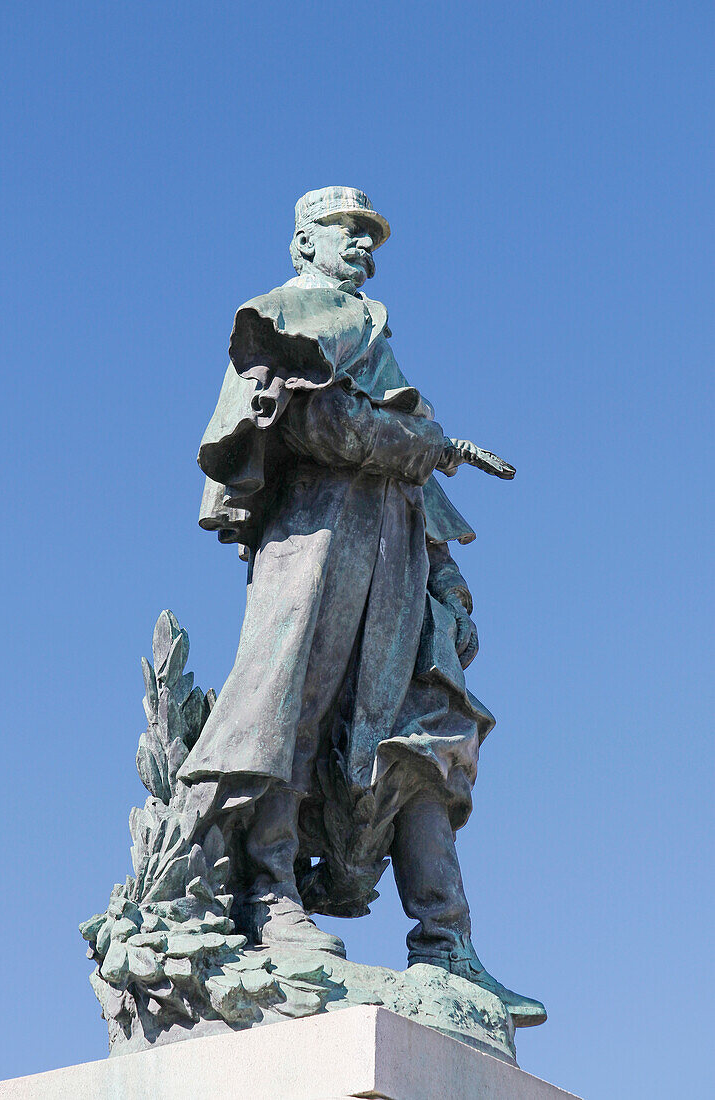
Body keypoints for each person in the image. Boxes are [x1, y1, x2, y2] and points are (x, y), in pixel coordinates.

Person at [178, 187, 545, 1024]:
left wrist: (443, 569)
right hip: (317, 530)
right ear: (303, 241)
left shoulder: (372, 329)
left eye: (370, 239)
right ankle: (266, 896)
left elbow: (373, 429)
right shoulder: (279, 315)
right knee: (286, 703)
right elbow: (322, 425)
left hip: (394, 537)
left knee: (424, 726)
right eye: (347, 234)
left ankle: (445, 941)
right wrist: (434, 445)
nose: (363, 250)